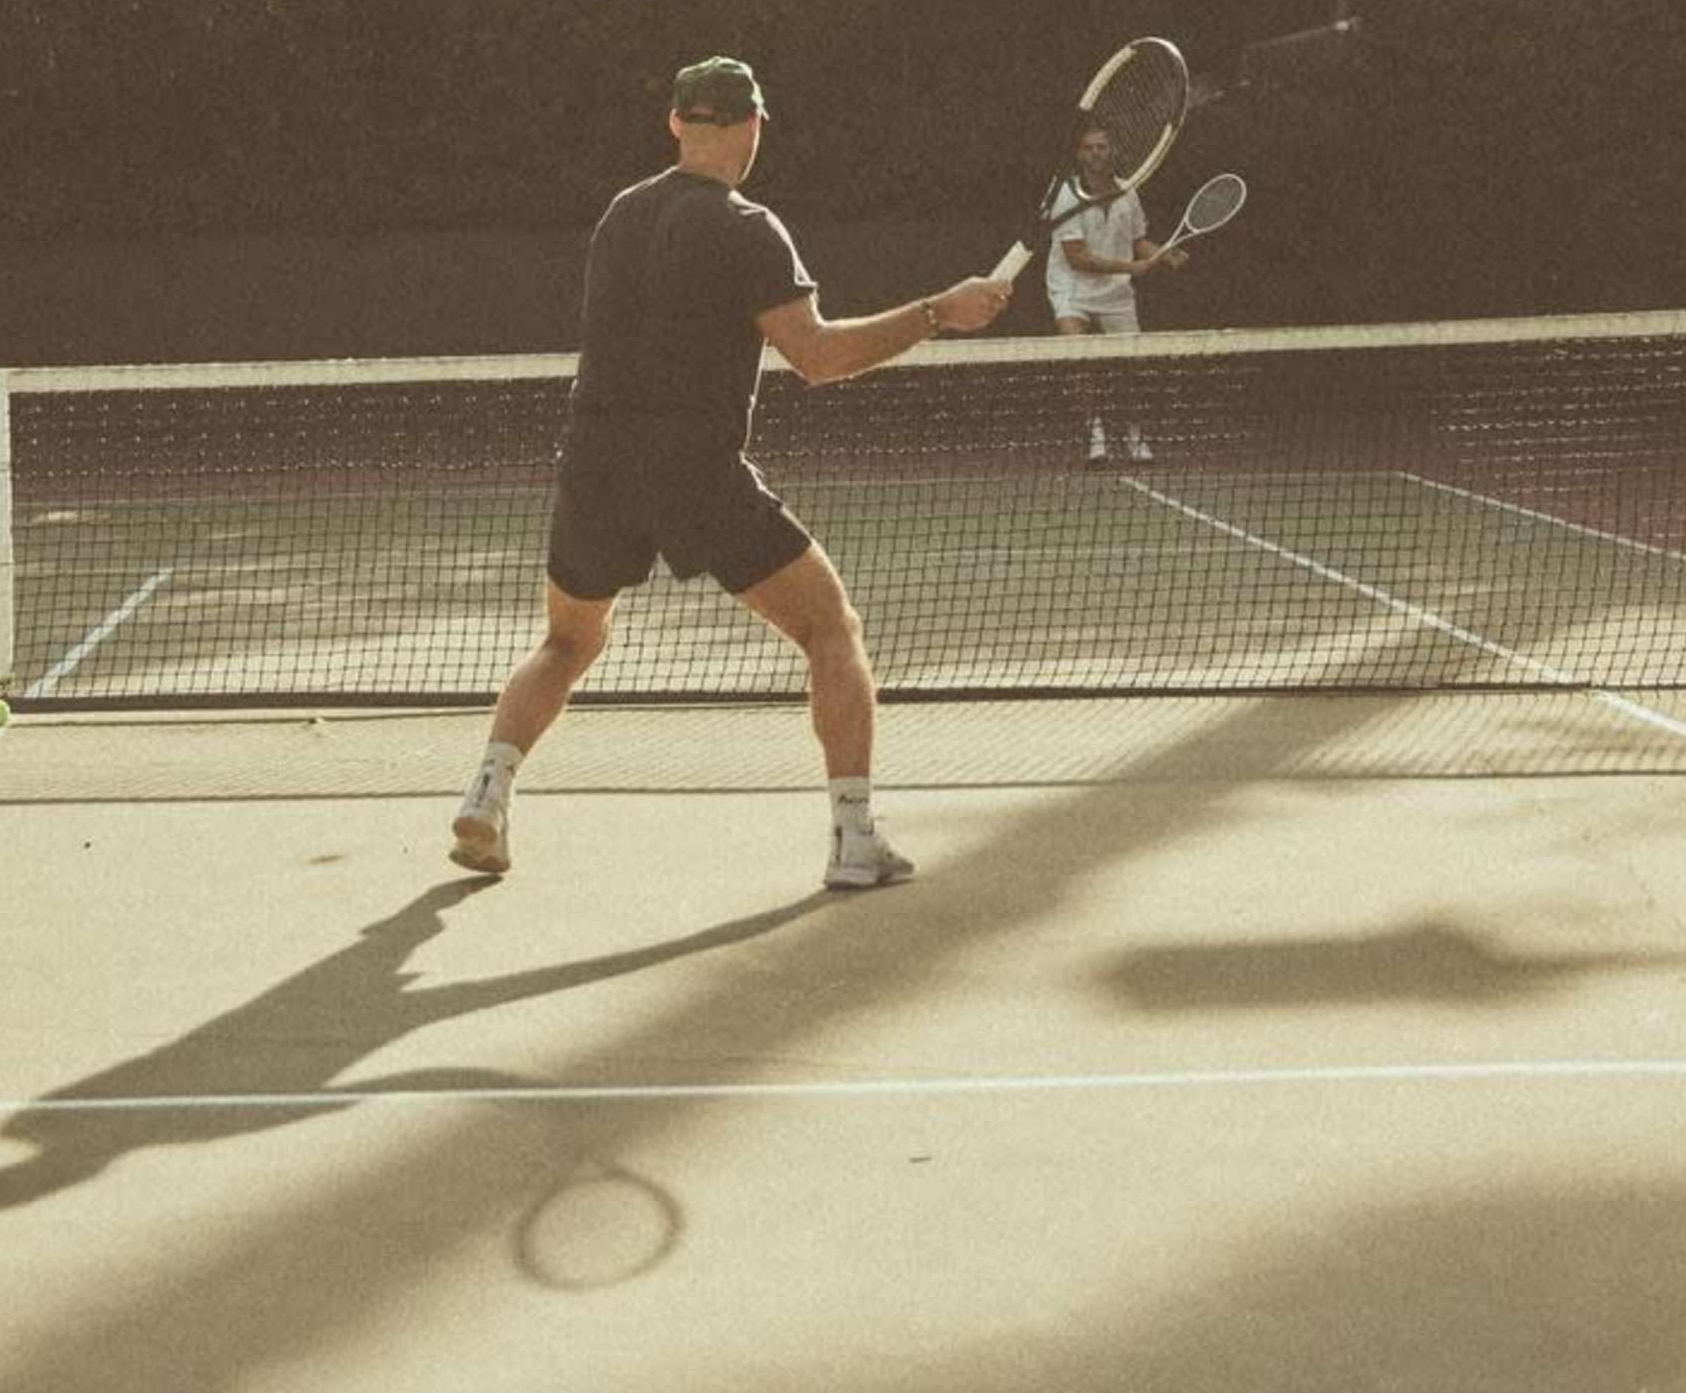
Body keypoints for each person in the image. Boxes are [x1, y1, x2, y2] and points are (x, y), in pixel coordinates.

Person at [452, 58, 1013, 892]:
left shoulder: (620, 215)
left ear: (677, 124)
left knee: (568, 640)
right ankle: (854, 836)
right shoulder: (749, 227)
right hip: (693, 472)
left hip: (593, 464)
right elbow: (818, 357)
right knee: (831, 627)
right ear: (754, 126)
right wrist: (939, 310)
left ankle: (486, 793)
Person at [1046, 115, 1186, 464]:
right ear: (1079, 154)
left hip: (1116, 292)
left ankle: (1135, 435)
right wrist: (1132, 267)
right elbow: (1077, 258)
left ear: (1113, 151)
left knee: (1130, 367)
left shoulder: (1129, 191)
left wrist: (1163, 255)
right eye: (1088, 148)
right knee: (1077, 356)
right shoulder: (1066, 196)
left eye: (1101, 147)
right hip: (1071, 287)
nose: (1095, 154)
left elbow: (1139, 242)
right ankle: (1096, 436)